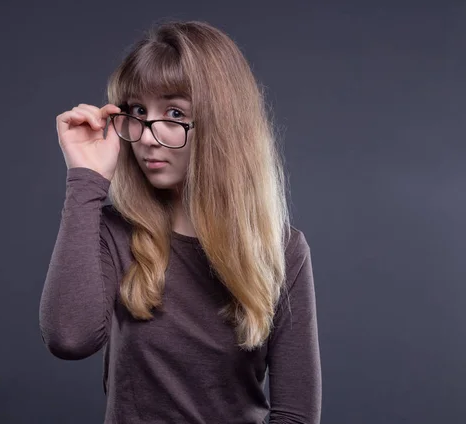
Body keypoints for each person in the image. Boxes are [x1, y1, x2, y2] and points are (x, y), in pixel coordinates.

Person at [39, 20, 322, 424]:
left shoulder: (282, 251)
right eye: (137, 111)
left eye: (174, 113)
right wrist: (85, 181)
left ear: (220, 125)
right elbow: (69, 338)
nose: (148, 137)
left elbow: (296, 415)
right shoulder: (116, 233)